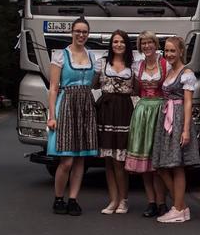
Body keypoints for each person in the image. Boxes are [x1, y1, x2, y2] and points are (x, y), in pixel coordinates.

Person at [47, 17, 98, 216]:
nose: (81, 35)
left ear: (88, 34)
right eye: (78, 31)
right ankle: (58, 197)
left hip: (85, 105)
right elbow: (53, 88)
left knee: (80, 159)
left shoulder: (92, 56)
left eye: (84, 32)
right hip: (66, 103)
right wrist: (52, 115)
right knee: (66, 160)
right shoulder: (61, 56)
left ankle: (73, 199)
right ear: (72, 32)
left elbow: (95, 82)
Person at [153, 36, 200, 223]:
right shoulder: (170, 71)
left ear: (181, 51)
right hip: (167, 117)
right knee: (163, 166)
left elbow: (188, 103)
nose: (169, 54)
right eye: (167, 50)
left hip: (179, 119)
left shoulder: (186, 73)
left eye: (173, 50)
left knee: (178, 166)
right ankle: (181, 207)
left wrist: (186, 130)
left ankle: (178, 209)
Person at [125, 31, 168, 217]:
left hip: (160, 110)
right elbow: (135, 89)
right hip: (142, 111)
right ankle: (151, 202)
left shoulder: (165, 64)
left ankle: (162, 202)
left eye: (150, 42)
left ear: (155, 44)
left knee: (157, 163)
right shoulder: (138, 65)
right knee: (145, 163)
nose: (147, 46)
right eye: (143, 43)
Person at [94, 30, 134, 214]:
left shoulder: (134, 65)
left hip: (124, 110)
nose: (118, 44)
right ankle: (113, 199)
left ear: (127, 45)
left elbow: (138, 88)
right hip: (106, 110)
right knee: (108, 160)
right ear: (111, 44)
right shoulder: (102, 63)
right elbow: (93, 83)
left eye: (122, 42)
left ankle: (123, 200)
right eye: (115, 41)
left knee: (120, 159)